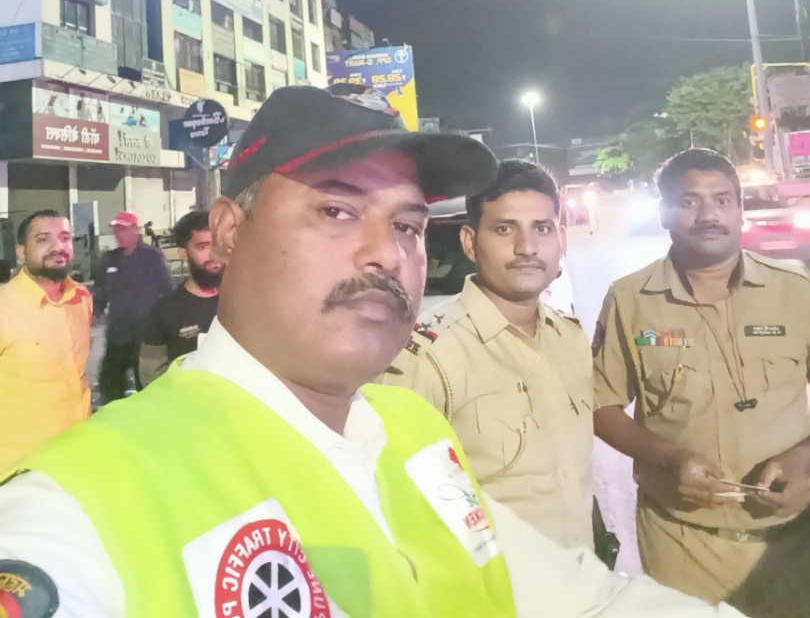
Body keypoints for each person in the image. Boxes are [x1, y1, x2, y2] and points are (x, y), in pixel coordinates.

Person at [0, 90, 747, 617]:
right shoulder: (84, 503)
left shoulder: (413, 436)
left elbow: (587, 601)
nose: (386, 253)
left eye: (408, 227)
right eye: (335, 209)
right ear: (227, 232)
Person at [593, 148, 810, 616]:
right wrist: (669, 458)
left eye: (722, 200)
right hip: (681, 542)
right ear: (664, 213)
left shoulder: (797, 291)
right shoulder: (631, 300)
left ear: (740, 209)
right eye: (689, 201)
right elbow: (601, 406)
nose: (709, 214)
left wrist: (803, 459)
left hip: (793, 541)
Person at [380, 159, 595, 550]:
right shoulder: (430, 357)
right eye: (504, 229)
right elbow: (396, 507)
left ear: (561, 239)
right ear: (469, 242)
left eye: (542, 228)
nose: (527, 247)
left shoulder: (570, 338)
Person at [0, 210, 92, 475]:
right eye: (43, 239)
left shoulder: (81, 299)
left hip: (76, 458)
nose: (57, 246)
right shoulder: (5, 307)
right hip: (20, 471)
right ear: (21, 252)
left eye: (65, 237)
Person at [95, 211, 171, 403]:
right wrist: (93, 313)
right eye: (116, 230)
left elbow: (166, 290)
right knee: (110, 385)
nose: (118, 234)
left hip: (145, 335)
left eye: (123, 229)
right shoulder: (109, 259)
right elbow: (101, 292)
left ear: (135, 230)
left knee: (146, 386)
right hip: (118, 336)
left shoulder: (151, 257)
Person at [139, 210, 221, 385]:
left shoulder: (243, 302)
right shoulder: (164, 312)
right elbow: (151, 377)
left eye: (217, 245)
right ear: (183, 253)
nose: (213, 255)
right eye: (203, 247)